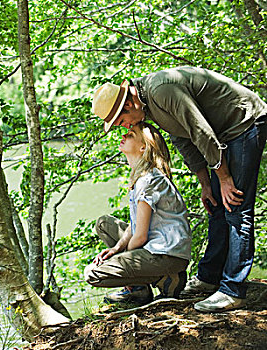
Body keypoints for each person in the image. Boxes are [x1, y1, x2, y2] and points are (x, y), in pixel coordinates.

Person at [93, 66, 267, 312]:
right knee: (217, 206)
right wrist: (206, 183)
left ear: (129, 104)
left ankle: (233, 291)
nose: (124, 127)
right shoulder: (148, 108)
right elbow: (183, 139)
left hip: (242, 123)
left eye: (121, 121)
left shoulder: (162, 91)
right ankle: (209, 279)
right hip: (220, 135)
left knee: (236, 208)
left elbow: (199, 129)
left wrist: (224, 177)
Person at [84, 122, 192, 305]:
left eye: (131, 134)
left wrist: (120, 259)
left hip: (168, 254)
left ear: (143, 147)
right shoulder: (141, 177)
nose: (124, 136)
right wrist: (116, 249)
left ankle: (165, 279)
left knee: (93, 273)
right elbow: (135, 227)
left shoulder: (148, 180)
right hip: (156, 248)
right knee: (104, 224)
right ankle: (139, 289)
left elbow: (140, 236)